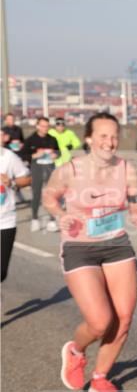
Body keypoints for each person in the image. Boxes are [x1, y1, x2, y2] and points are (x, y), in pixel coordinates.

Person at [43, 113, 137, 392]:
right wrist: (60, 215)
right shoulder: (69, 170)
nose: (109, 142)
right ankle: (76, 351)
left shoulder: (127, 168)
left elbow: (134, 200)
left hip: (116, 244)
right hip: (79, 247)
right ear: (89, 139)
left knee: (123, 317)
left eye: (114, 136)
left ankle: (100, 378)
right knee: (101, 321)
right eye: (103, 136)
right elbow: (49, 197)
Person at [24, 117, 61, 232]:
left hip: (50, 168)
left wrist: (56, 155)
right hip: (37, 169)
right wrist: (34, 155)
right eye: (43, 126)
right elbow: (24, 155)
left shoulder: (52, 139)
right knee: (36, 194)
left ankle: (52, 220)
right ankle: (35, 219)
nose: (45, 128)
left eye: (47, 126)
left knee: (51, 194)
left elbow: (58, 151)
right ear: (37, 126)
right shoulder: (30, 140)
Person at [1, 145, 31, 281]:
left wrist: (11, 182)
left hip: (5, 221)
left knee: (1, 272)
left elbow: (27, 178)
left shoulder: (7, 156)